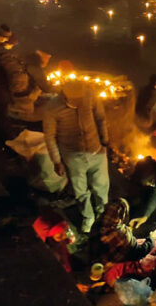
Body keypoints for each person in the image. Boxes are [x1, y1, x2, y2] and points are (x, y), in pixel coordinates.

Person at [43, 81, 110, 233]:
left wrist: (105, 140)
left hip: (97, 151)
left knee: (102, 187)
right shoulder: (52, 108)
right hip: (73, 157)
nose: (78, 103)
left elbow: (100, 118)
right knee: (80, 191)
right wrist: (57, 161)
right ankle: (88, 217)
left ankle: (103, 215)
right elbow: (50, 137)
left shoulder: (90, 95)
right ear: (63, 95)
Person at [91, 198, 156, 286]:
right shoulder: (119, 234)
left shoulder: (99, 224)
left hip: (111, 257)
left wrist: (129, 229)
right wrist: (152, 238)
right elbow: (138, 252)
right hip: (120, 264)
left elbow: (124, 243)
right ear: (122, 215)